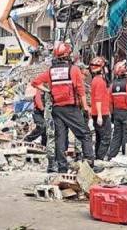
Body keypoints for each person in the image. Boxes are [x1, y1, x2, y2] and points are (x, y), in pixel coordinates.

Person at [29, 42, 97, 172]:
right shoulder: (73, 69)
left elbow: (35, 82)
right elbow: (80, 90)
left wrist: (48, 90)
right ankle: (89, 163)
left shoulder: (51, 71)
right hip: (70, 108)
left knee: (60, 138)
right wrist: (86, 107)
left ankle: (62, 167)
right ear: (67, 55)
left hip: (56, 109)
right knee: (85, 134)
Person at [88, 56, 111, 160]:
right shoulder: (99, 81)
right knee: (106, 137)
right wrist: (100, 116)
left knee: (99, 137)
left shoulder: (95, 80)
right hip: (101, 113)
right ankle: (100, 158)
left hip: (97, 113)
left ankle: (97, 157)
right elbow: (98, 99)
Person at [24, 76, 48, 147]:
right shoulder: (40, 90)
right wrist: (43, 109)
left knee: (47, 129)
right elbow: (38, 101)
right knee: (42, 126)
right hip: (37, 112)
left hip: (46, 112)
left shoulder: (50, 90)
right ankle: (27, 139)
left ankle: (45, 145)